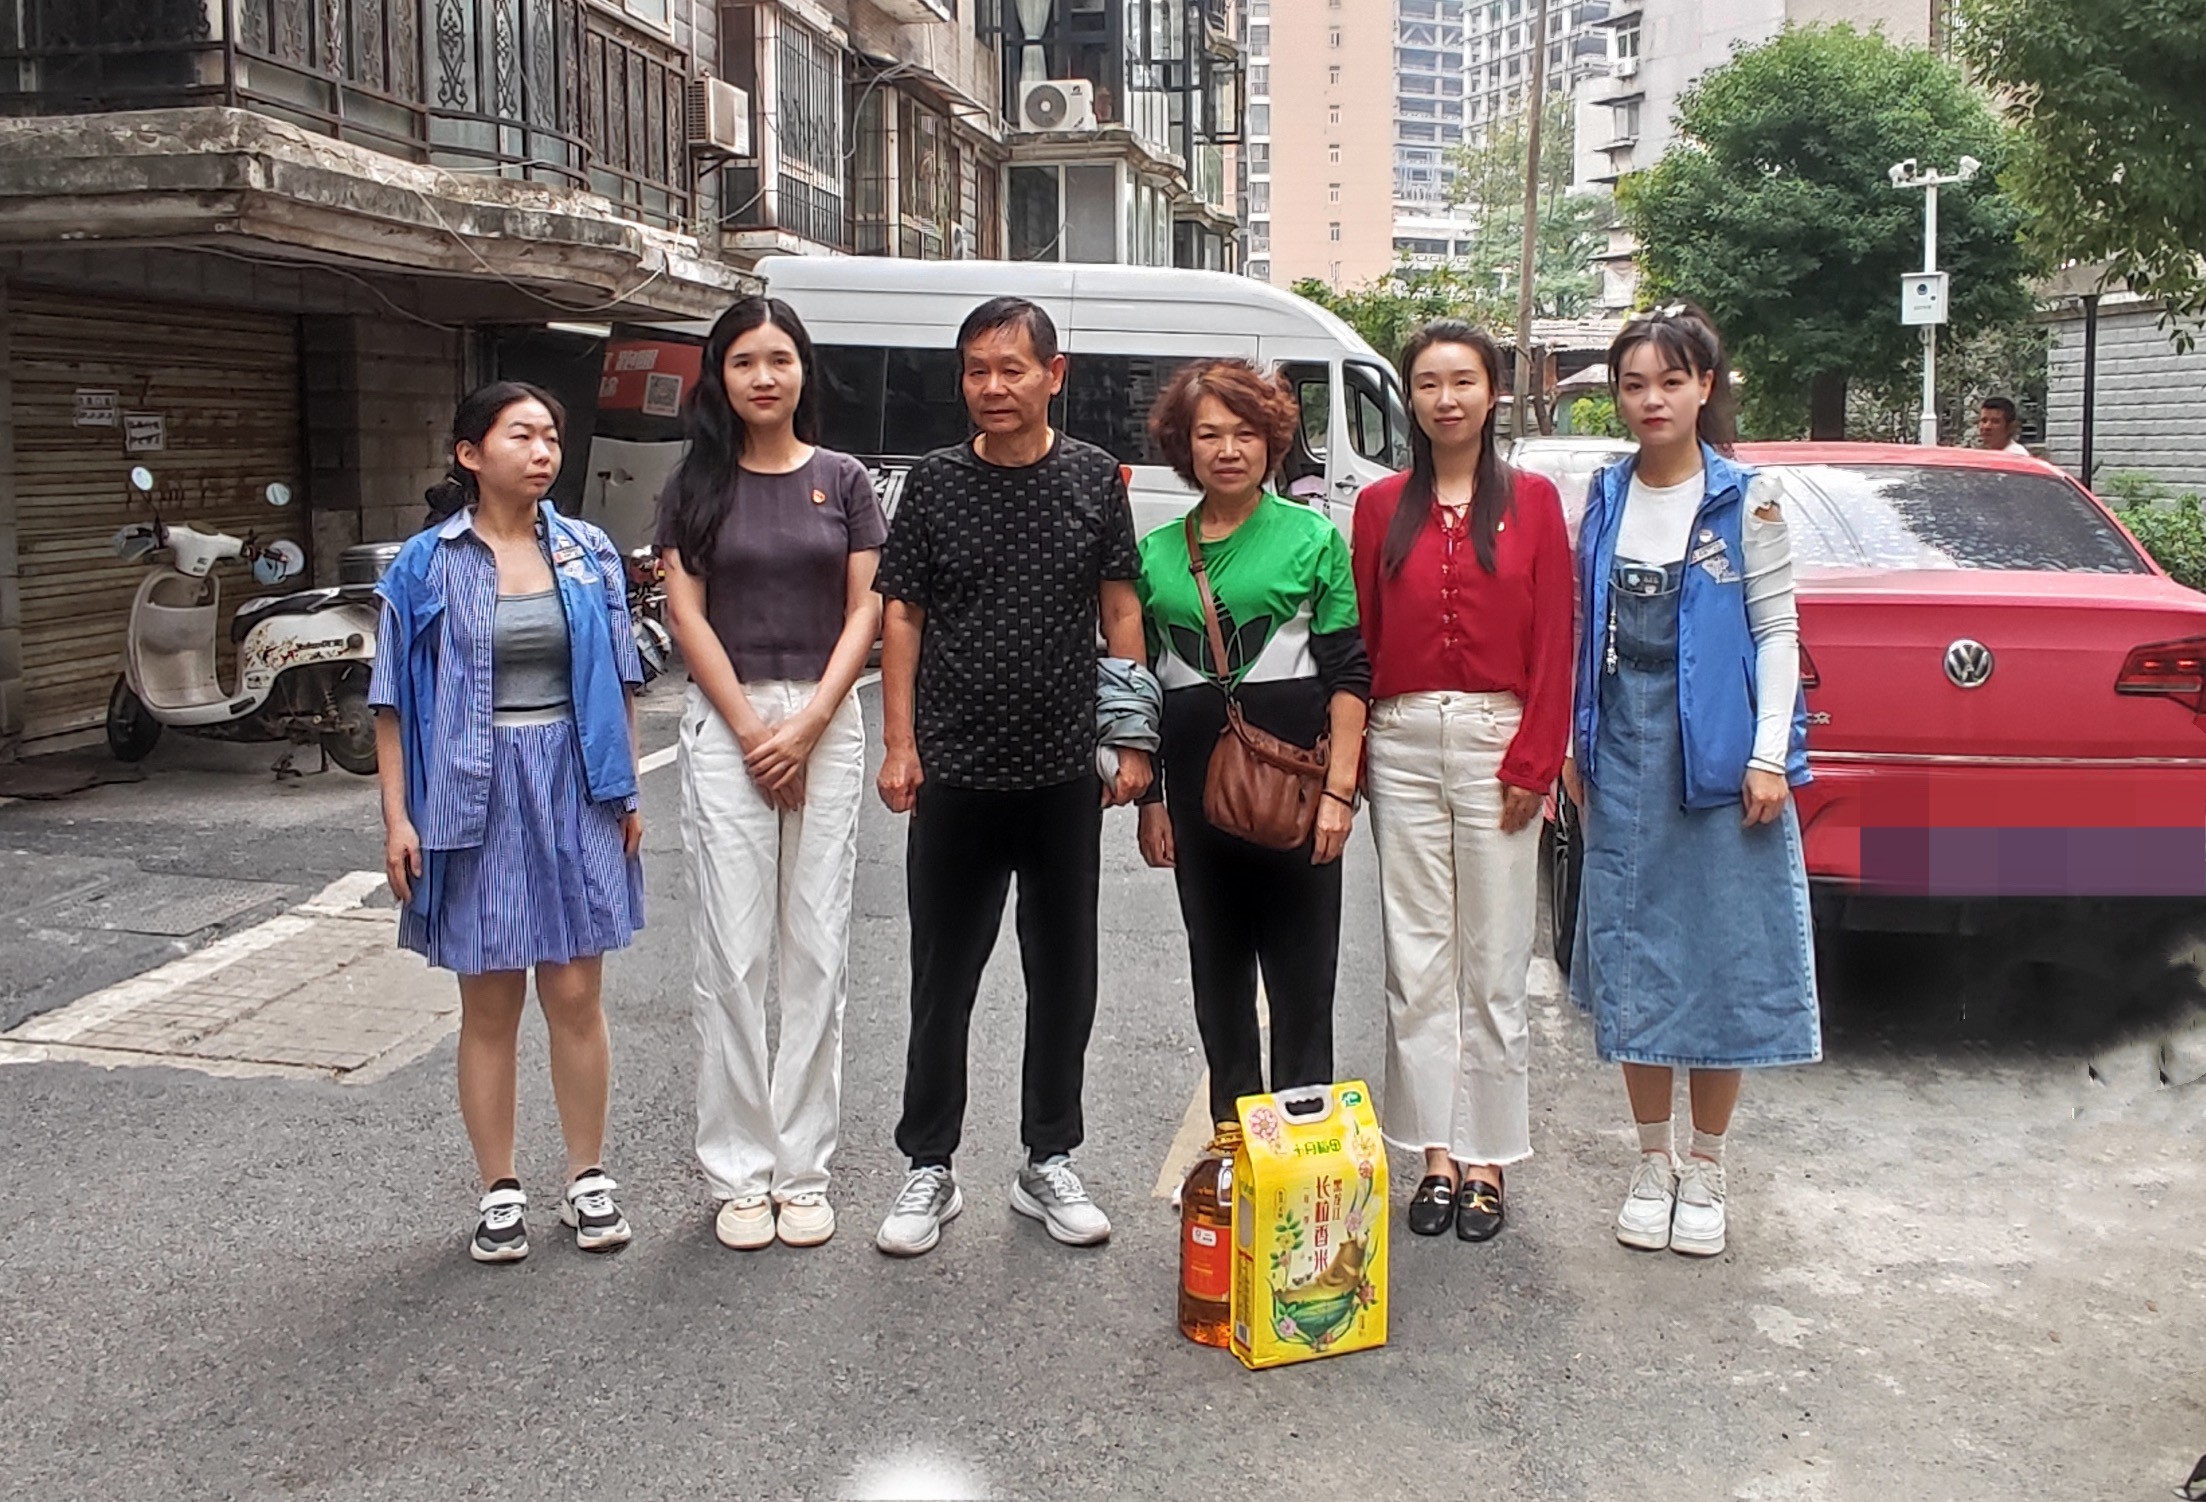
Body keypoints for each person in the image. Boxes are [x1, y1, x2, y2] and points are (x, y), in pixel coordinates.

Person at [871, 297, 1153, 1258]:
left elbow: (1121, 611)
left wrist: (1132, 740)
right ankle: (929, 1164)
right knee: (941, 980)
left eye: (1011, 369)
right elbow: (902, 615)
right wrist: (900, 743)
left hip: (1062, 773)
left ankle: (1049, 1158)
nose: (992, 387)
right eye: (976, 371)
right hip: (954, 770)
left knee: (1063, 976)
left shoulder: (1092, 479)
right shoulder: (935, 483)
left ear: (1053, 375)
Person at [1563, 302, 1821, 1259]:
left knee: (1722, 954)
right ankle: (1651, 1159)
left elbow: (1778, 630)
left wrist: (1768, 754)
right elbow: (1583, 626)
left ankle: (1707, 1165)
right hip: (1622, 750)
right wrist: (1573, 743)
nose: (1652, 400)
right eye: (1634, 384)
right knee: (1636, 954)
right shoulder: (1605, 495)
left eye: (1671, 381)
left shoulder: (1748, 499)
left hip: (1717, 755)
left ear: (1705, 387)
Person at [370, 382, 646, 1264]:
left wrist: (628, 790)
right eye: (521, 435)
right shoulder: (424, 565)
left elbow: (621, 680)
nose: (542, 452)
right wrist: (398, 819)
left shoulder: (588, 551)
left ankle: (587, 1177)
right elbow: (390, 705)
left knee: (576, 994)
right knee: (489, 1002)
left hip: (574, 783)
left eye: (551, 438)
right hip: (469, 790)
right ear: (469, 454)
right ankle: (499, 1189)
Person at [657, 297, 886, 1252]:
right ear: (720, 376)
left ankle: (803, 1171)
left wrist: (811, 723)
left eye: (779, 359)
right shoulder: (694, 485)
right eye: (744, 360)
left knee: (816, 948)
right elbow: (686, 614)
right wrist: (757, 733)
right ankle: (740, 1172)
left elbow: (867, 610)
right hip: (730, 721)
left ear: (803, 371)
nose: (763, 376)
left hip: (826, 718)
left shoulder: (845, 479)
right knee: (734, 953)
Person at [1352, 322, 1572, 1244]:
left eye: (1463, 381)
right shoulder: (1379, 507)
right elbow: (1362, 640)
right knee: (1416, 961)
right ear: (1411, 398)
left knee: (1494, 961)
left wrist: (1535, 760)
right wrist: (1355, 759)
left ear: (1493, 393)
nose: (1446, 399)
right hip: (1401, 740)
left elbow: (1556, 637)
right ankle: (1434, 1155)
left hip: (1497, 737)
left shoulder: (1534, 502)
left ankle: (1488, 1160)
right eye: (1429, 383)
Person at [1133, 360, 1370, 1133]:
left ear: (1273, 440)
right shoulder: (1156, 552)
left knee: (1304, 978)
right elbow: (1142, 684)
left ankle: (1299, 1147)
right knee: (1217, 972)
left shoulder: (1313, 537)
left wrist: (1340, 793)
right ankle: (1235, 1140)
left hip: (1298, 787)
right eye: (1209, 435)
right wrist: (1151, 801)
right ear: (1184, 445)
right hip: (1194, 790)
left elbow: (1349, 674)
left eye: (1245, 433)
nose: (1228, 450)